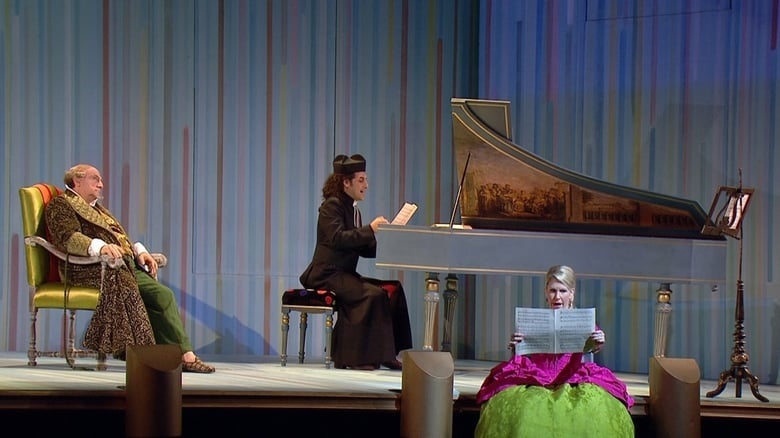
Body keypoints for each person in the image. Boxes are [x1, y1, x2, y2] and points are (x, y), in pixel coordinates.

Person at [45, 164, 215, 373]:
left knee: (162, 296)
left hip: (123, 265)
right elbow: (68, 238)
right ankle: (163, 357)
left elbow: (119, 237)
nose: (101, 184)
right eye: (95, 178)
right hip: (90, 269)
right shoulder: (61, 204)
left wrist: (138, 251)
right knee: (146, 294)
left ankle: (177, 355)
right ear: (76, 181)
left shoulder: (98, 209)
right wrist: (100, 247)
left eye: (100, 180)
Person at [474, 265, 634, 437]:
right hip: (537, 375)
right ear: (546, 292)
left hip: (574, 375)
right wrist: (517, 346)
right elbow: (523, 355)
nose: (557, 297)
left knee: (593, 410)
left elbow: (593, 349)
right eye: (552, 291)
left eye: (562, 291)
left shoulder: (582, 320)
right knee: (520, 410)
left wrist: (599, 340)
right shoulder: (535, 320)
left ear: (571, 293)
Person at [299, 154, 413, 371]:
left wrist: (388, 239)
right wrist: (370, 229)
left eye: (366, 180)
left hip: (343, 274)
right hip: (326, 274)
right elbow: (338, 238)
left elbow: (361, 247)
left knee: (393, 289)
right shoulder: (331, 207)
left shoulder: (353, 210)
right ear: (346, 182)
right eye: (361, 180)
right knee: (372, 295)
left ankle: (387, 353)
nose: (366, 185)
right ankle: (354, 357)